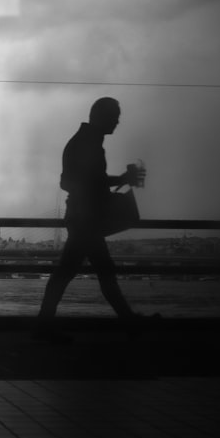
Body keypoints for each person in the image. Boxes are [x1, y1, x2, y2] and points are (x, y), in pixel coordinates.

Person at [34, 97, 156, 342]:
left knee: (75, 272)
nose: (117, 122)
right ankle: (129, 322)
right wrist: (119, 180)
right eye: (114, 117)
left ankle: (45, 324)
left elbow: (73, 181)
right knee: (98, 272)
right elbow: (71, 182)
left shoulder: (83, 141)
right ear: (102, 117)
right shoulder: (88, 144)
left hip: (82, 219)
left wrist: (115, 180)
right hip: (85, 220)